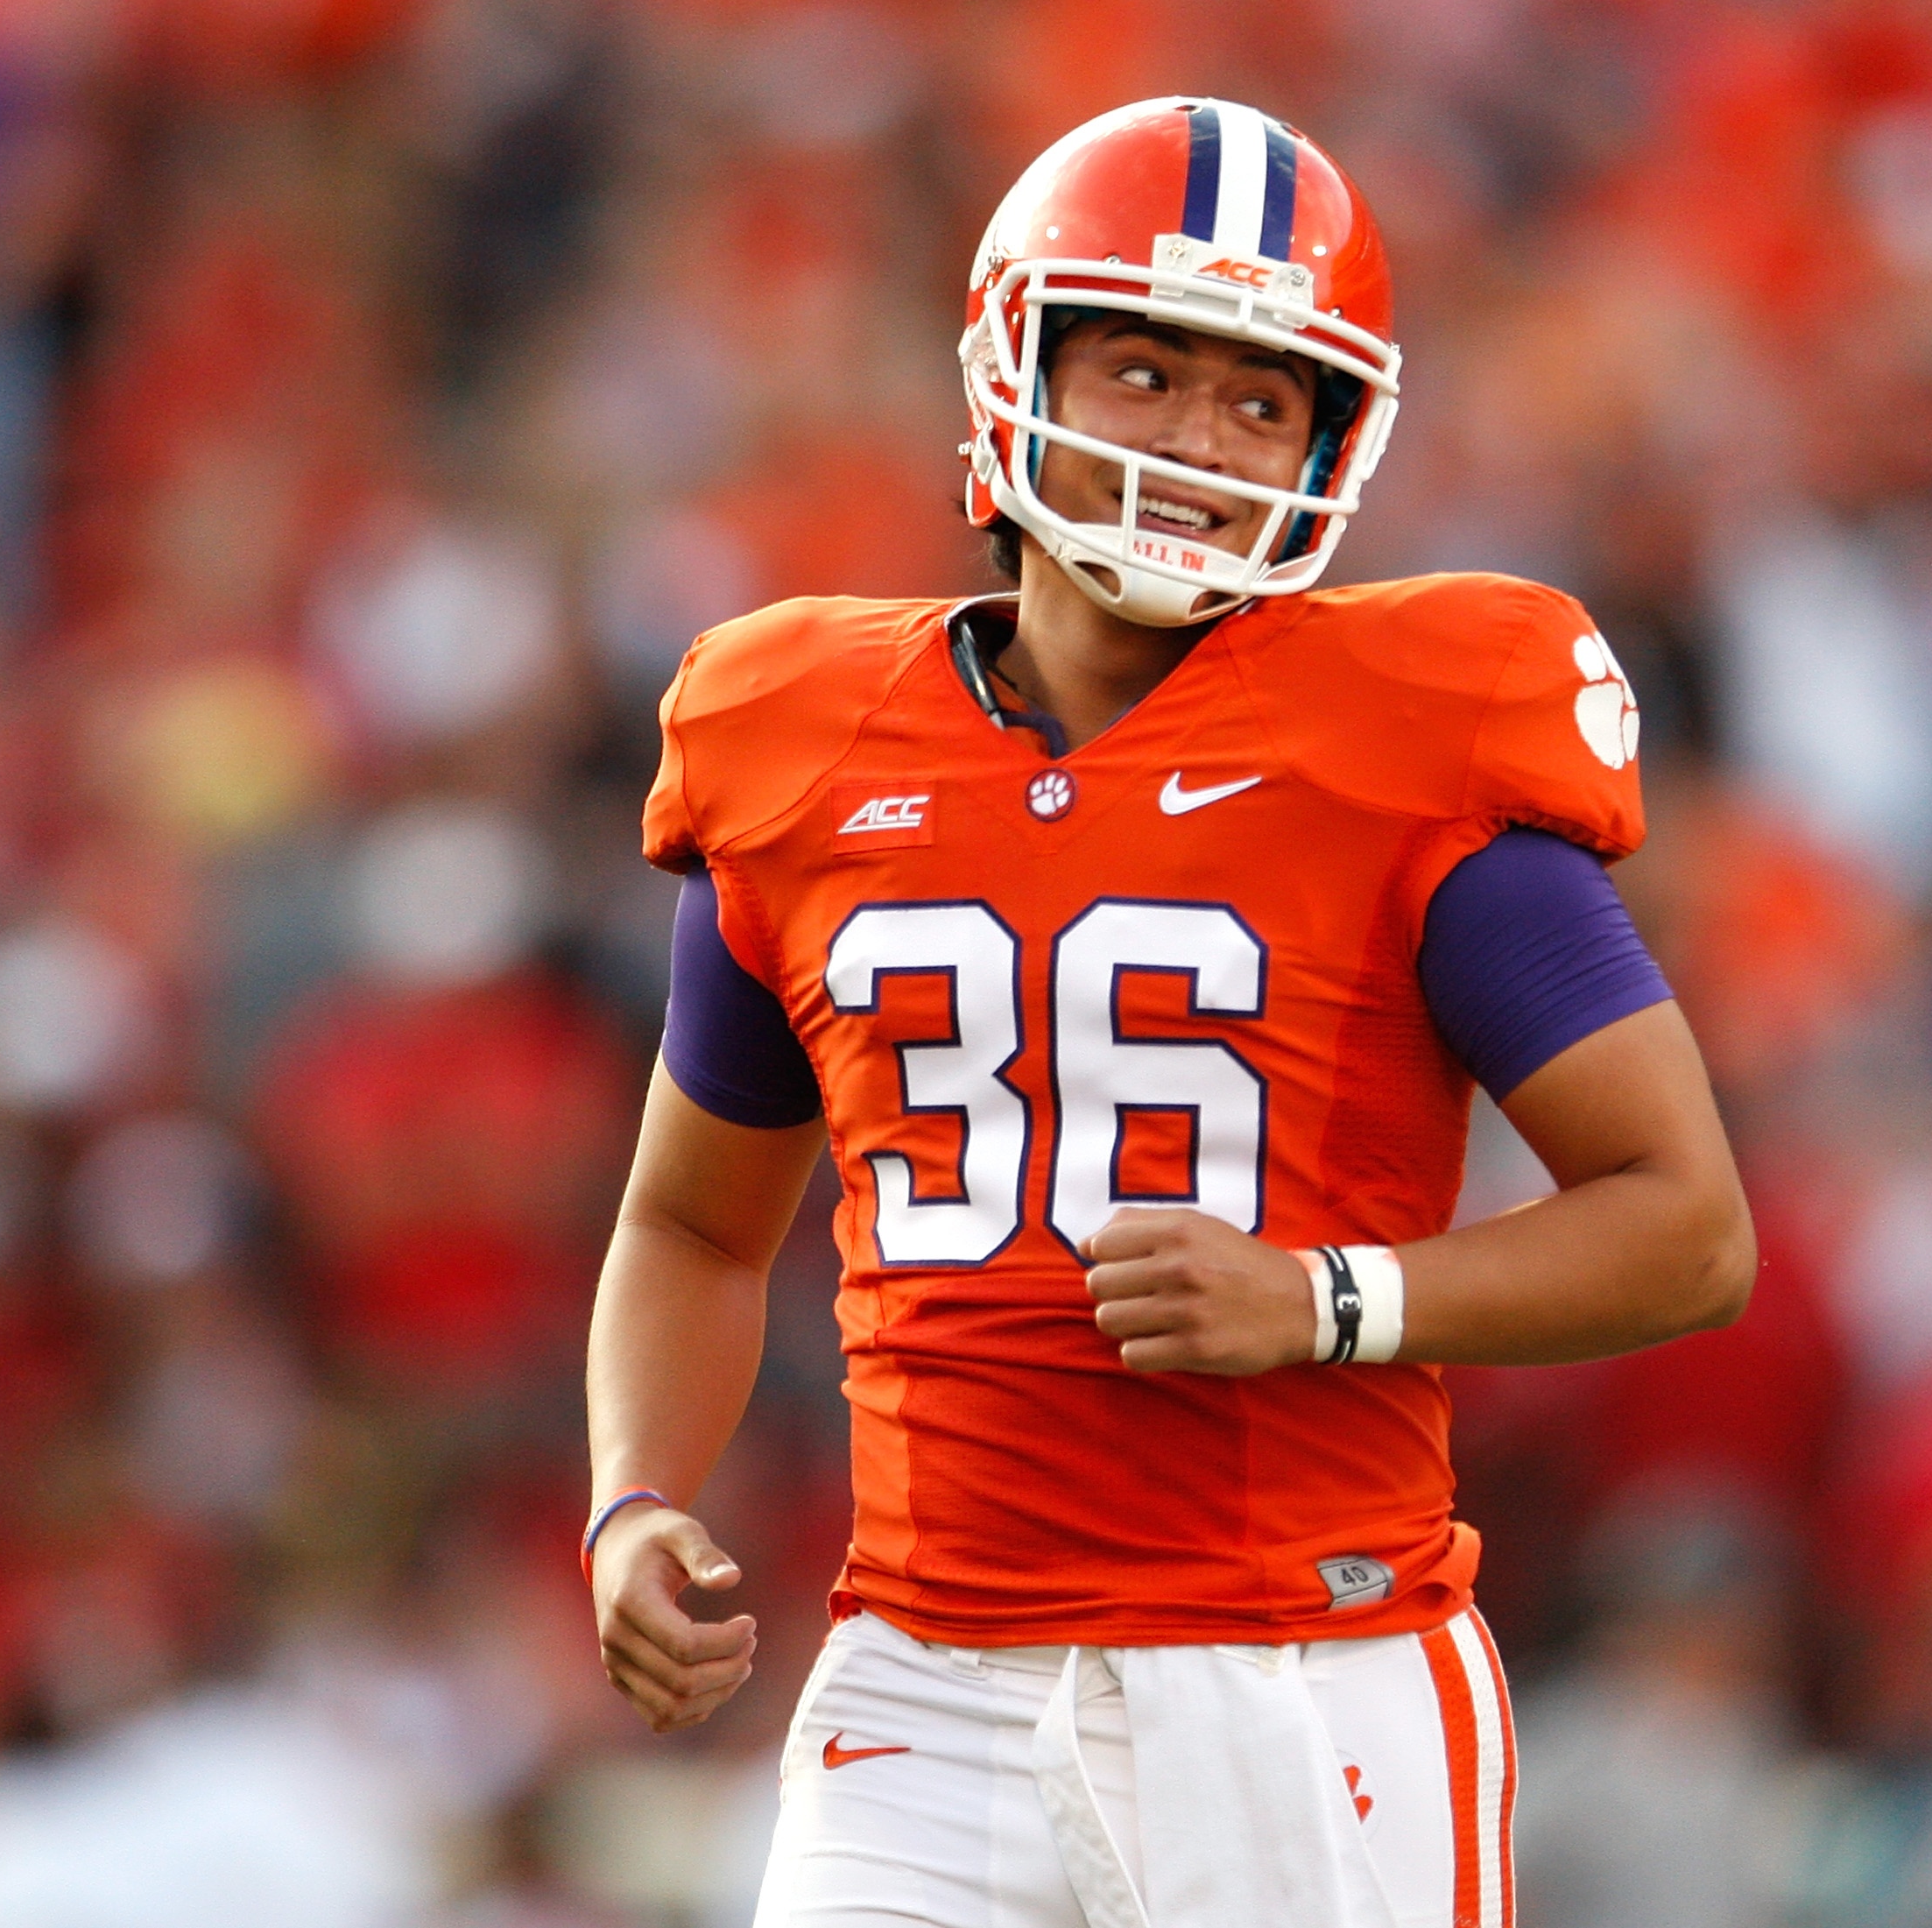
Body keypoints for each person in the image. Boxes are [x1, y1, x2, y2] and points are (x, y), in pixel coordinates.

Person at [583, 96, 1756, 1928]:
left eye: (1259, 400)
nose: (1197, 443)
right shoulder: (794, 740)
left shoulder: (1409, 741)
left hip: (1301, 1681)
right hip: (922, 1676)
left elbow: (1689, 1227)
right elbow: (688, 1220)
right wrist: (633, 1493)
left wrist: (1325, 1296)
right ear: (1013, 361)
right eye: (1143, 371)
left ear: (1333, 436)